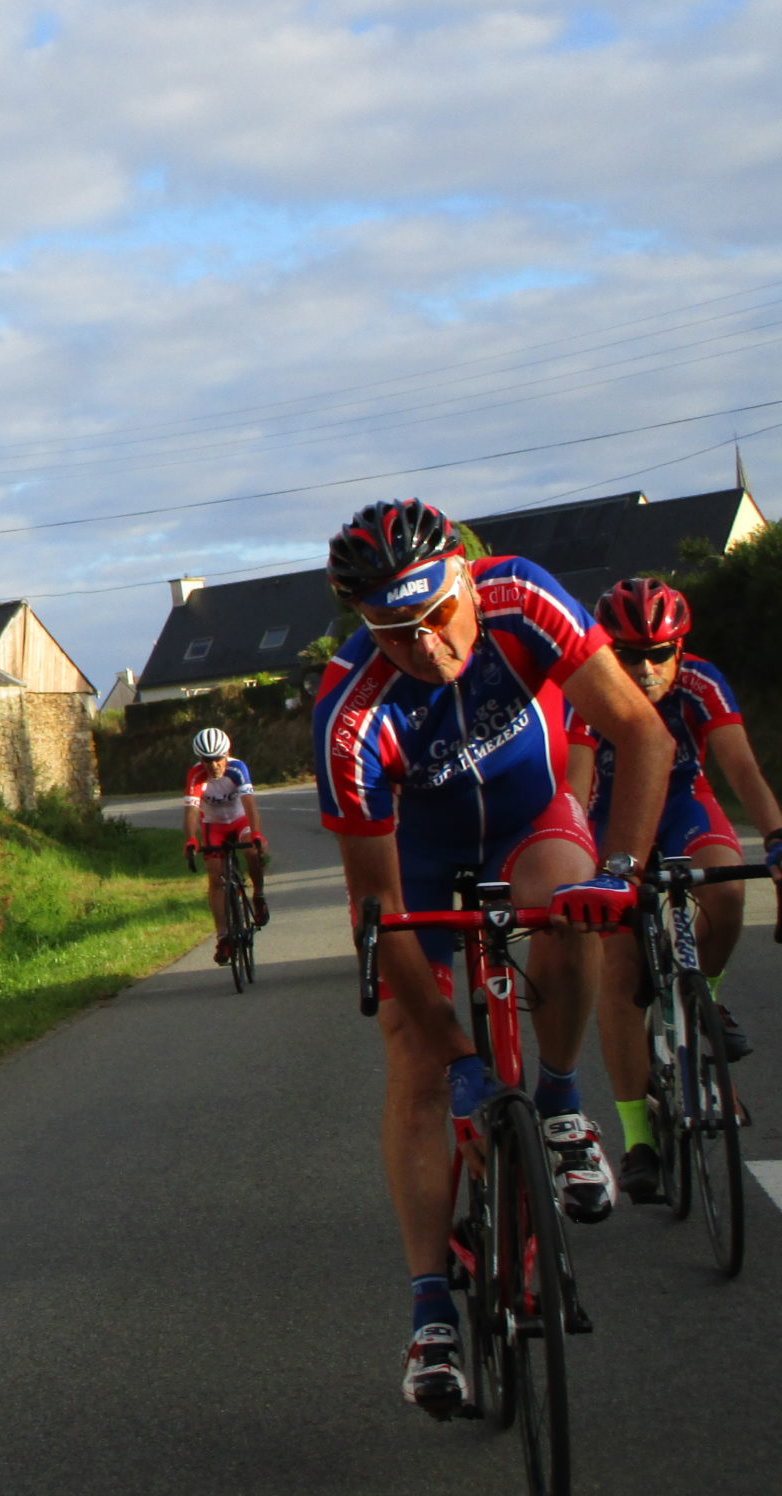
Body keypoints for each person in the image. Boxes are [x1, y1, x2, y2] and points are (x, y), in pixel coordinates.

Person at [311, 499, 671, 1421]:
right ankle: (431, 1310)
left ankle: (558, 1101)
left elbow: (642, 732)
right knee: (414, 1056)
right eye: (395, 632)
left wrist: (623, 872)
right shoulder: (349, 718)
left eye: (437, 615)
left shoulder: (522, 598)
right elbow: (381, 911)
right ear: (363, 627)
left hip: (528, 818)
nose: (427, 647)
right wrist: (459, 1057)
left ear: (467, 579)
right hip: (421, 864)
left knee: (569, 899)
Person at [568, 576, 782, 1203]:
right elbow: (576, 792)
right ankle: (638, 1139)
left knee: (727, 887)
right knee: (619, 966)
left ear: (681, 649)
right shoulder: (588, 689)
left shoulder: (701, 681)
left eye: (660, 653)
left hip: (684, 804)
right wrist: (581, 873)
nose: (645, 666)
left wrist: (775, 840)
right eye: (629, 653)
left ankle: (702, 999)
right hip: (611, 819)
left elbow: (742, 769)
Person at [183, 726, 268, 962]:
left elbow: (250, 805)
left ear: (227, 754)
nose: (214, 766)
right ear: (200, 760)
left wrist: (257, 834)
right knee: (215, 876)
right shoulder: (196, 775)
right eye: (207, 761)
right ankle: (223, 937)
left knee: (251, 850)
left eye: (218, 759)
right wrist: (190, 839)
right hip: (213, 824)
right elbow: (191, 811)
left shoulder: (237, 769)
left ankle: (259, 895)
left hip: (240, 819)